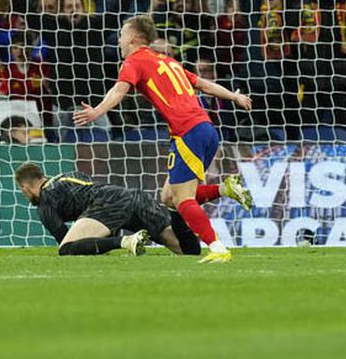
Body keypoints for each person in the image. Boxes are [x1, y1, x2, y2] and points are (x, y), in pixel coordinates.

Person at [73, 15, 253, 263]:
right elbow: (203, 84)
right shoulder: (168, 61)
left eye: (122, 35)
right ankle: (225, 188)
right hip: (207, 130)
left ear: (135, 38)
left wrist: (96, 111)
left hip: (187, 131)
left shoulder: (134, 61)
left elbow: (119, 90)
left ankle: (218, 248)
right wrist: (234, 96)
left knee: (182, 199)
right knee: (168, 196)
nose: (120, 41)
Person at [13, 163, 201, 256]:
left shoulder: (45, 201)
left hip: (107, 203)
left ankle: (126, 241)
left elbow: (66, 241)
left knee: (67, 249)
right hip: (129, 195)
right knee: (185, 250)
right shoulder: (68, 175)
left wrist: (111, 242)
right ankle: (176, 210)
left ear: (25, 188)